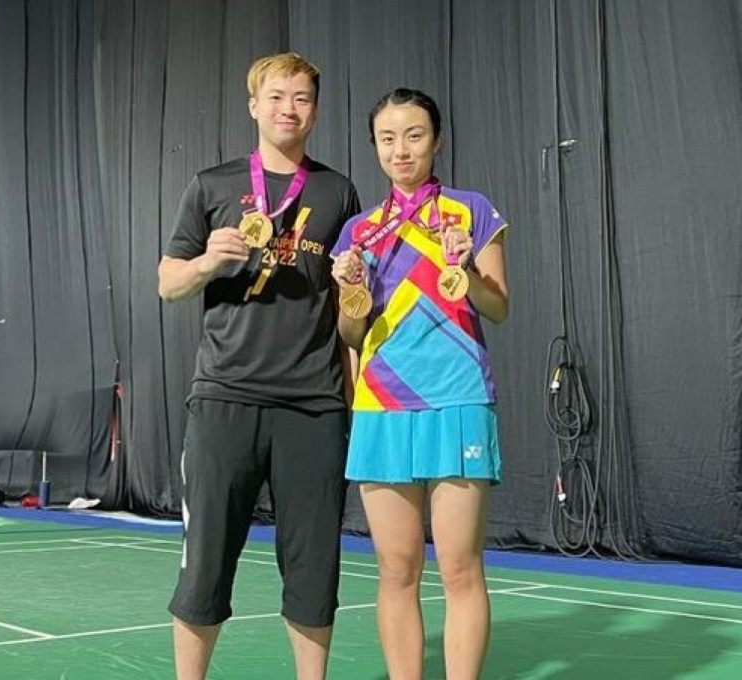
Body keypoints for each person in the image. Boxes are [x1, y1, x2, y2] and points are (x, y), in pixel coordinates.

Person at [158, 52, 360, 680]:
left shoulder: (337, 191)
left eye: (301, 98)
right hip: (224, 398)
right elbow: (168, 283)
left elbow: (351, 308)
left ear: (315, 109)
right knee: (205, 562)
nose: (288, 109)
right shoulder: (212, 185)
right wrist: (206, 266)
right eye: (276, 97)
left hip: (315, 404)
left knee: (312, 566)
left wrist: (356, 287)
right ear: (253, 105)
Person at [330, 88, 510, 679]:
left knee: (460, 568)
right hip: (381, 405)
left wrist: (465, 269)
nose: (401, 149)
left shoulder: (470, 211)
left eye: (414, 135)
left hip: (457, 400)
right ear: (375, 146)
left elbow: (498, 306)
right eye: (388, 138)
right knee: (395, 570)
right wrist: (352, 284)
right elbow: (352, 332)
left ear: (436, 139)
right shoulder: (359, 230)